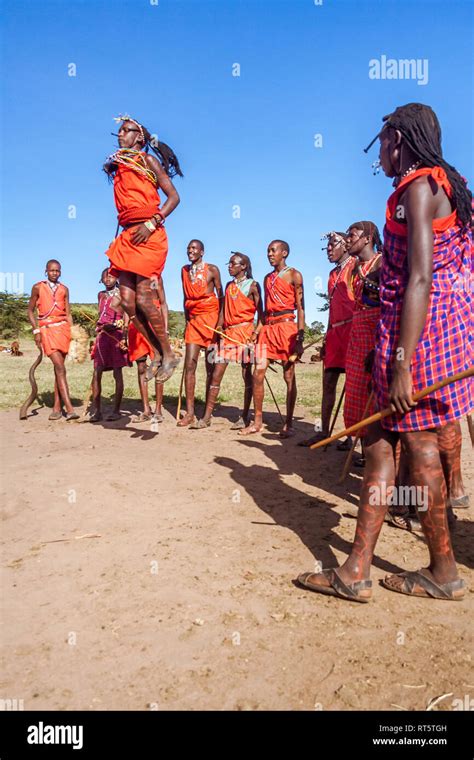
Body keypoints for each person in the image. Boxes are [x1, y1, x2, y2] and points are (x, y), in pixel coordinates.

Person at [298, 103, 472, 602]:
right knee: (398, 445)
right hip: (440, 334)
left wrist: (401, 363)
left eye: (382, 143)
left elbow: (419, 277)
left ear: (400, 137)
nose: (382, 155)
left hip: (413, 339)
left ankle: (381, 571)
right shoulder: (452, 186)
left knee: (399, 446)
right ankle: (424, 570)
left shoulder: (418, 188)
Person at [104, 114, 182, 382]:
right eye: (120, 131)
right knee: (126, 301)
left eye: (127, 130)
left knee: (145, 299)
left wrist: (152, 222)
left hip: (150, 233)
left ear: (139, 137)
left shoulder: (148, 161)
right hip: (128, 236)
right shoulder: (120, 165)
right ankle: (156, 353)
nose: (121, 135)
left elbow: (174, 197)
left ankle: (169, 353)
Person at [190, 252, 262, 430]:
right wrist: (220, 327)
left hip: (245, 333)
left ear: (243, 266)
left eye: (233, 263)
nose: (229, 266)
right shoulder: (229, 286)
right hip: (228, 334)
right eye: (229, 263)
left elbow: (262, 315)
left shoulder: (253, 286)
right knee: (216, 374)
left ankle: (245, 416)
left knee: (247, 375)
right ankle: (207, 417)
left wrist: (254, 336)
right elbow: (222, 312)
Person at [240, 240, 305, 438]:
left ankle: (289, 423)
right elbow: (266, 311)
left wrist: (300, 337)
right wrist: (256, 332)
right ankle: (257, 421)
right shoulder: (267, 278)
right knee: (258, 374)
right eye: (268, 251)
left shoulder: (295, 274)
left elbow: (301, 308)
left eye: (273, 250)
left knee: (288, 376)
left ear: (284, 253)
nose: (269, 254)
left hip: (287, 328)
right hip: (268, 329)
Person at [299, 232, 356, 447]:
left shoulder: (356, 266)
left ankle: (353, 436)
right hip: (334, 334)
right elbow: (333, 308)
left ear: (346, 245)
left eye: (333, 245)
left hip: (353, 331)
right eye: (327, 247)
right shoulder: (332, 274)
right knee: (328, 383)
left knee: (353, 386)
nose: (329, 250)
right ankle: (323, 431)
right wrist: (326, 338)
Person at [342, 220, 383, 466]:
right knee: (356, 391)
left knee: (376, 394)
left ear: (367, 237)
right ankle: (368, 455)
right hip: (357, 334)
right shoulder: (353, 269)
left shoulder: (383, 263)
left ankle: (382, 457)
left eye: (352, 235)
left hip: (378, 332)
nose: (348, 239)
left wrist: (379, 346)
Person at [178, 240, 223, 427]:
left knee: (210, 367)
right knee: (190, 365)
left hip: (211, 320)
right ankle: (189, 413)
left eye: (194, 248)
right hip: (194, 321)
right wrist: (187, 319)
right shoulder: (184, 270)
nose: (190, 251)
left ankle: (207, 412)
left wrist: (221, 324)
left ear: (202, 252)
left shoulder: (212, 269)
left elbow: (222, 298)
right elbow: (185, 296)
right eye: (188, 248)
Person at [27, 260, 79, 421]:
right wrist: (36, 330)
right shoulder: (38, 287)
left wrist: (73, 334)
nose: (54, 273)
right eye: (52, 270)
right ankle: (69, 409)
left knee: (59, 369)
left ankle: (57, 408)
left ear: (60, 272)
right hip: (47, 329)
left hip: (63, 329)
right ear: (46, 271)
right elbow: (30, 310)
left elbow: (68, 312)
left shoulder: (65, 289)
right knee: (60, 367)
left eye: (57, 271)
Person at [89, 269, 129, 422]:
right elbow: (101, 315)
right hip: (102, 336)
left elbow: (126, 316)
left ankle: (116, 410)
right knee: (96, 372)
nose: (107, 279)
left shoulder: (122, 294)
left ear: (117, 278)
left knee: (117, 372)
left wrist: (124, 336)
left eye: (111, 276)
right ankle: (97, 410)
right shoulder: (101, 295)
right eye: (105, 277)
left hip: (116, 335)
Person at [127, 277, 167, 424]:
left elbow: (163, 303)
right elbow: (127, 304)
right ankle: (146, 409)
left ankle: (158, 410)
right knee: (141, 367)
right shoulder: (131, 278)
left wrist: (165, 329)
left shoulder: (155, 277)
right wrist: (126, 328)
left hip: (154, 319)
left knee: (159, 367)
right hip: (137, 323)